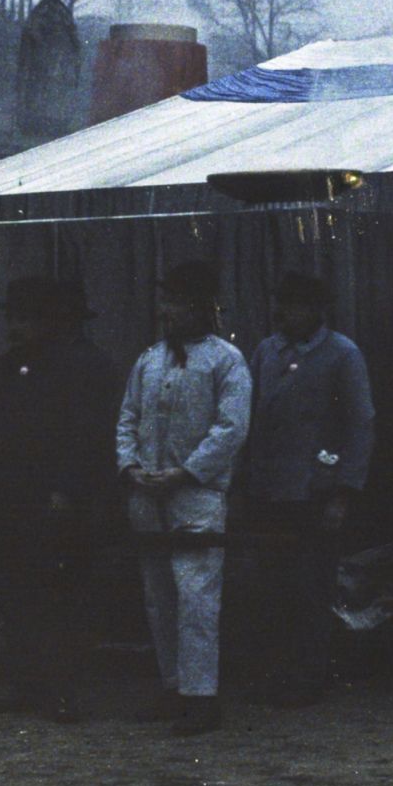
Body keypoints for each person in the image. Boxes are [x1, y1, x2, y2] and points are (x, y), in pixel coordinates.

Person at [0, 275, 122, 722]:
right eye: (13, 318)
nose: (17, 327)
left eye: (27, 319)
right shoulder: (8, 368)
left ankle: (63, 691)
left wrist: (66, 490)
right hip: (11, 503)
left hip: (61, 505)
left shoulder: (88, 367)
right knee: (17, 596)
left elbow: (91, 438)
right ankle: (27, 686)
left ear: (55, 321)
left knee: (62, 599)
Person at [117, 259, 252, 735]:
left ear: (202, 308)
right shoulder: (149, 359)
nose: (167, 310)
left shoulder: (225, 361)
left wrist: (186, 472)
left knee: (196, 597)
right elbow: (127, 417)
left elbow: (231, 428)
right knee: (159, 596)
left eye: (177, 302)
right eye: (165, 300)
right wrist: (131, 466)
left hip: (196, 497)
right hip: (148, 496)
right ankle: (172, 686)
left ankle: (202, 697)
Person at [236, 271, 375, 706]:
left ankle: (309, 675)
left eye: (296, 305)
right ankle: (274, 673)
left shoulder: (341, 354)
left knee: (310, 587)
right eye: (282, 303)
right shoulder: (266, 350)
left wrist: (342, 492)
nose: (285, 313)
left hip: (314, 491)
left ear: (317, 310)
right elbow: (249, 417)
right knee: (270, 587)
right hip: (268, 490)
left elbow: (360, 423)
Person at [16, 0, 84, 136]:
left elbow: (72, 30)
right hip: (45, 57)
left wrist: (76, 49)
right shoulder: (44, 8)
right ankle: (38, 123)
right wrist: (43, 46)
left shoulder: (62, 9)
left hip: (60, 57)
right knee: (42, 90)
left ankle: (55, 122)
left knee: (58, 91)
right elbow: (31, 30)